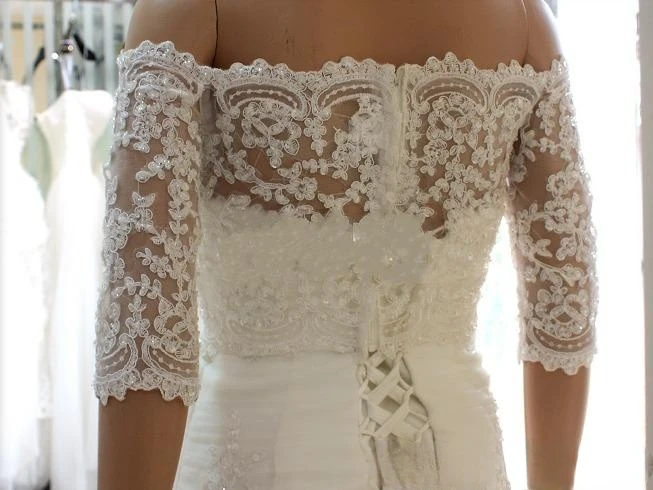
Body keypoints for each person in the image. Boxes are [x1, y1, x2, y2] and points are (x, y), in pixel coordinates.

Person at [93, 0, 597, 488]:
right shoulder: (528, 20)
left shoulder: (184, 12)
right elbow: (564, 301)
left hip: (262, 456)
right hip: (464, 456)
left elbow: (145, 320)